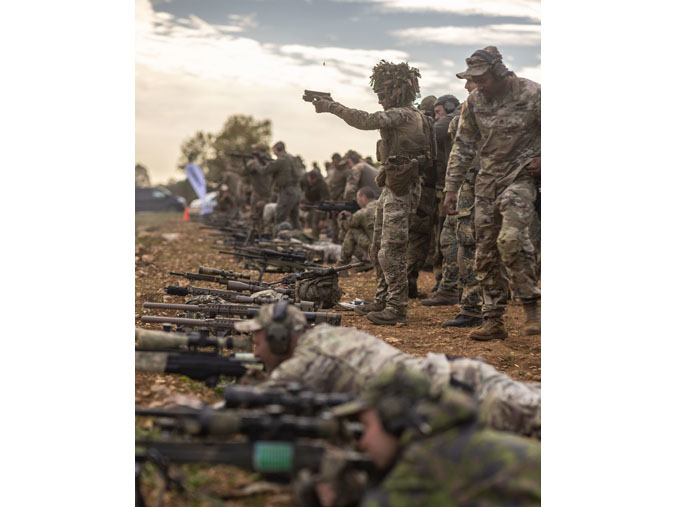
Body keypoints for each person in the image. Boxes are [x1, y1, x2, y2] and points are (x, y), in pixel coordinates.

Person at [234, 303, 541, 438]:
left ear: (279, 338)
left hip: (462, 393)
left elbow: (261, 403)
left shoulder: (308, 359)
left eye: (257, 340)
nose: (255, 351)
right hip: (455, 384)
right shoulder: (320, 339)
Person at [309, 60, 433, 325]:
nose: (380, 100)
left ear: (397, 91)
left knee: (392, 251)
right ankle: (382, 300)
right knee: (379, 246)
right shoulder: (408, 114)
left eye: (383, 94)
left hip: (402, 190)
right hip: (392, 187)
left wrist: (332, 107)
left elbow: (365, 121)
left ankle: (396, 307)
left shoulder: (405, 114)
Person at [325, 365, 541, 507]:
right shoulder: (449, 439)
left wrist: (329, 492)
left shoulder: (426, 460)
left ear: (395, 421)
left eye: (366, 427)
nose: (363, 442)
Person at [444, 46, 541, 340]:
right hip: (486, 183)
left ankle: (531, 308)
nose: (479, 85)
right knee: (484, 252)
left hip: (519, 178)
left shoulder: (533, 93)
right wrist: (451, 187)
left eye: (483, 79)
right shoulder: (475, 102)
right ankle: (493, 320)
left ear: (499, 72)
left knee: (510, 239)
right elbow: (463, 145)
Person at [442, 75, 484, 327]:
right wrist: (452, 188)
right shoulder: (466, 112)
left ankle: (487, 309)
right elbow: (458, 149)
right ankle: (473, 309)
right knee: (467, 244)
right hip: (471, 183)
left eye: (471, 81)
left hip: (501, 183)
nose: (466, 86)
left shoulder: (521, 104)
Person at [266, 141, 302, 230]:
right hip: (296, 190)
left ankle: (279, 238)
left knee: (280, 217)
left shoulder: (281, 160)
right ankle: (299, 237)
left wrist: (257, 164)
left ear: (278, 149)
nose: (274, 153)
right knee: (295, 219)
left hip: (287, 191)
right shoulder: (291, 158)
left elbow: (265, 171)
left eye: (274, 151)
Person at [338, 186, 377, 265]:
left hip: (375, 247)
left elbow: (347, 226)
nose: (357, 202)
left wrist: (340, 220)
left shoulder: (363, 212)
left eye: (358, 198)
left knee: (352, 231)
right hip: (387, 245)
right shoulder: (381, 205)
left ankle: (343, 263)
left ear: (363, 197)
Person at [242, 142, 273, 231]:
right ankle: (258, 233)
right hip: (265, 193)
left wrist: (254, 163)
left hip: (261, 193)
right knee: (260, 216)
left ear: (259, 151)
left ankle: (258, 233)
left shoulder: (266, 161)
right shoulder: (268, 161)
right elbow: (244, 172)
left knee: (259, 216)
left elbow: (244, 172)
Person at [300, 168, 330, 241]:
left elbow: (325, 201)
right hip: (307, 200)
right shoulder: (303, 179)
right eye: (310, 180)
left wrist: (322, 219)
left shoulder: (322, 184)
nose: (311, 182)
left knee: (315, 220)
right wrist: (301, 202)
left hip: (318, 202)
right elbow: (300, 190)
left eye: (313, 181)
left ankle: (314, 238)